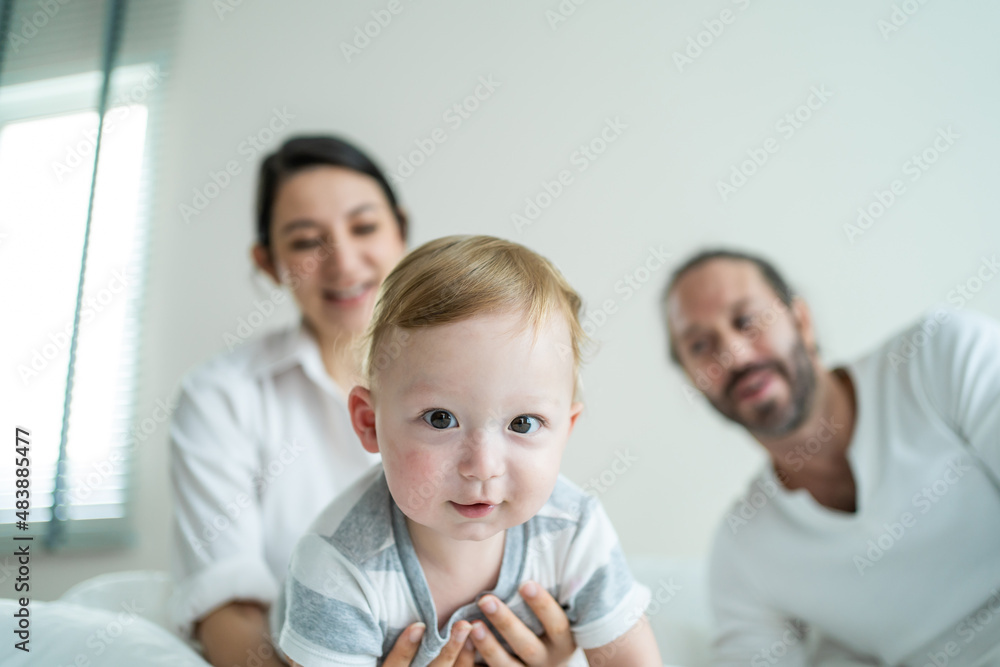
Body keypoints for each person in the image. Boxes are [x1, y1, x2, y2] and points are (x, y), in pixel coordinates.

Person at [169, 137, 580, 667]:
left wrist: (555, 653)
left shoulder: (502, 371)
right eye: (304, 242)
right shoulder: (221, 397)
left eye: (364, 228)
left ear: (400, 231)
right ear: (267, 262)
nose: (343, 260)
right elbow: (227, 606)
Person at [271, 235, 662, 667]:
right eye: (440, 419)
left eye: (523, 424)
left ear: (565, 432)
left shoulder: (574, 531)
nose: (482, 467)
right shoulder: (339, 565)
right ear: (369, 422)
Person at [660, 249, 1000, 666]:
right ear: (694, 382)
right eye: (700, 346)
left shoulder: (940, 357)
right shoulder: (743, 552)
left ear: (800, 320)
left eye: (747, 321)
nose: (735, 355)